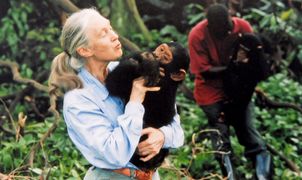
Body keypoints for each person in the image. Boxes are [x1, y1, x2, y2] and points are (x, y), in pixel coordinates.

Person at [48, 8, 184, 180]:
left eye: (110, 28)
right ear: (85, 50)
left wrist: (162, 136)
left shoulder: (121, 70)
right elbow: (116, 155)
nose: (114, 35)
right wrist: (135, 100)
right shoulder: (78, 100)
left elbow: (177, 130)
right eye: (103, 33)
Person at [188, 4, 272, 179]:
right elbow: (205, 71)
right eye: (220, 31)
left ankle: (264, 176)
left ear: (230, 19)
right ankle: (229, 176)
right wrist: (233, 66)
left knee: (249, 133)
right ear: (210, 27)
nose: (226, 33)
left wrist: (246, 82)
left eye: (228, 28)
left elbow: (256, 65)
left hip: (239, 90)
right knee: (220, 139)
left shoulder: (242, 27)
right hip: (211, 92)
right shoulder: (198, 35)